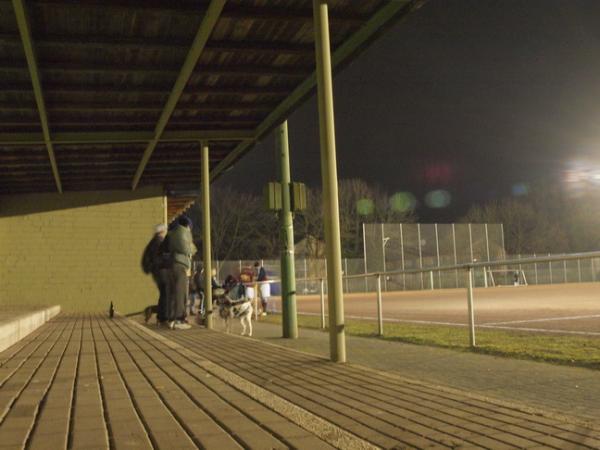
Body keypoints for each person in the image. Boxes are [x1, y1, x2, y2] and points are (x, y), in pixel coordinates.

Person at [166, 216, 196, 330]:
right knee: (181, 293)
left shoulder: (172, 233)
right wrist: (191, 247)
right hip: (180, 265)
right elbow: (189, 249)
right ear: (188, 226)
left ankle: (172, 319)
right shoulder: (183, 233)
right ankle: (179, 319)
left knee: (173, 293)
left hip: (172, 265)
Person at [141, 224, 169, 324]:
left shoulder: (154, 241)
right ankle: (162, 317)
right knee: (166, 293)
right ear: (161, 232)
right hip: (160, 271)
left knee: (164, 293)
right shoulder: (158, 242)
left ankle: (159, 315)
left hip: (156, 271)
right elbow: (159, 258)